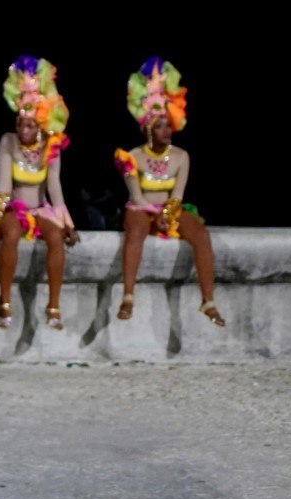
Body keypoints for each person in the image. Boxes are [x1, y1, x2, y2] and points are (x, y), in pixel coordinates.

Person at [114, 57, 225, 326]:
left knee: (199, 232)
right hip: (140, 209)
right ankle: (128, 295)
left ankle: (208, 300)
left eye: (168, 124)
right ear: (149, 129)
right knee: (136, 231)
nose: (167, 130)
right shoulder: (132, 156)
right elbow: (136, 196)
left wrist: (167, 213)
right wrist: (155, 213)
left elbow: (178, 194)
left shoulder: (181, 156)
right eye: (161, 125)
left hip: (169, 209)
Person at [0, 55, 78, 331]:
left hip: (42, 208)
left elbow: (55, 188)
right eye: (20, 123)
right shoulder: (8, 142)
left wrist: (67, 223)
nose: (23, 129)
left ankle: (54, 306)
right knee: (10, 234)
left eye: (30, 125)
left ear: (40, 125)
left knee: (57, 237)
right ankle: (5, 301)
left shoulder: (52, 145)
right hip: (16, 207)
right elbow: (4, 186)